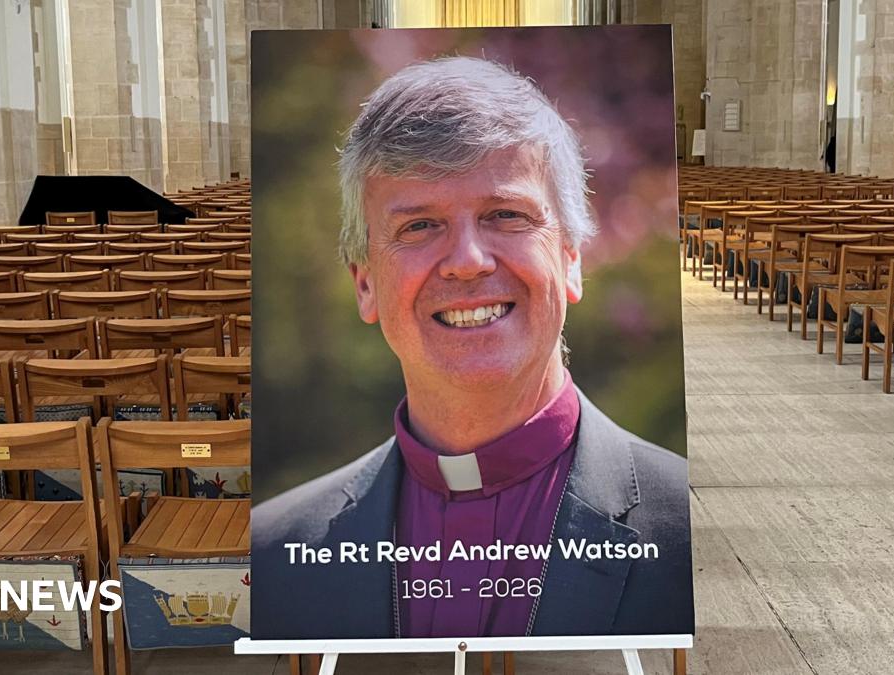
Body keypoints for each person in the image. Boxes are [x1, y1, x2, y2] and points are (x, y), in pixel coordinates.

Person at [252, 56, 692, 639]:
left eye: (505, 215)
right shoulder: (272, 554)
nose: (467, 262)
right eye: (419, 226)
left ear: (570, 259)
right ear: (365, 283)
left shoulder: (690, 531)